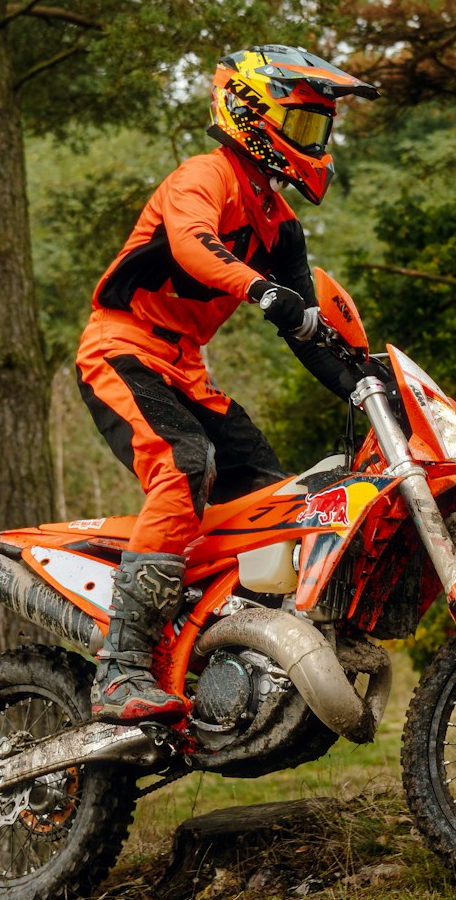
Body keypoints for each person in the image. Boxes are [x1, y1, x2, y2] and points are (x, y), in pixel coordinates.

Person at [75, 45, 380, 723]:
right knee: (186, 468)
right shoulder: (204, 177)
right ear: (252, 112)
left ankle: (230, 654)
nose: (314, 143)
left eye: (318, 130)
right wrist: (262, 290)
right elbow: (191, 244)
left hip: (187, 368)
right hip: (122, 350)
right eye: (302, 125)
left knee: (270, 500)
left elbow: (308, 329)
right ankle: (120, 672)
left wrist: (366, 384)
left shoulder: (279, 224)